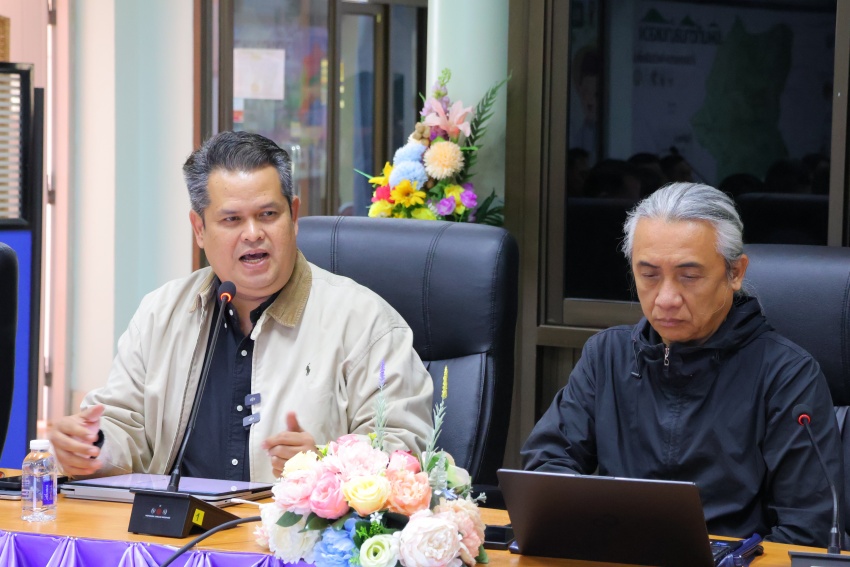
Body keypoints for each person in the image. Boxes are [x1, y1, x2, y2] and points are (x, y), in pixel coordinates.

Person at [49, 131, 434, 483]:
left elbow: (404, 449)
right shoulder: (161, 313)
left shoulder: (365, 322)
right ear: (199, 229)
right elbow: (122, 423)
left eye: (268, 215)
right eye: (232, 219)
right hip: (178, 530)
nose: (253, 234)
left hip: (291, 533)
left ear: (294, 216)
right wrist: (92, 447)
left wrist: (326, 465)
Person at [522, 182, 842, 546]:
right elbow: (547, 466)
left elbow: (808, 531)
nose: (666, 298)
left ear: (735, 273)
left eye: (689, 276)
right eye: (649, 275)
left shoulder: (786, 375)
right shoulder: (607, 356)